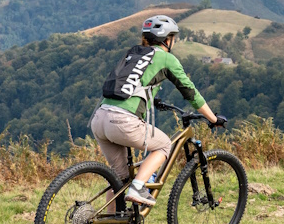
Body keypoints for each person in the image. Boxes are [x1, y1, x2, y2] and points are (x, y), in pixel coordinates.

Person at [91, 14, 223, 206]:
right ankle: (138, 187)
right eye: (173, 38)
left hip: (99, 118)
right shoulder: (166, 58)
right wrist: (213, 119)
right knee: (163, 146)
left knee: (118, 181)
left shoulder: (134, 54)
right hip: (122, 122)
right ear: (167, 39)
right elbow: (191, 93)